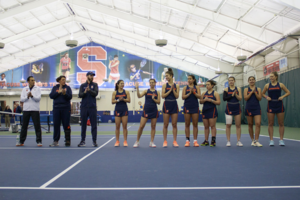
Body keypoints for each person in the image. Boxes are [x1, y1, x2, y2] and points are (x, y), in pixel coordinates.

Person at [262, 71, 290, 146]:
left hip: (279, 105)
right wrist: (266, 97)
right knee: (270, 123)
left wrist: (282, 97)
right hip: (270, 105)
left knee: (281, 123)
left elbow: (288, 92)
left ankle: (281, 140)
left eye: (272, 76)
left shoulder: (281, 85)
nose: (271, 78)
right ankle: (271, 140)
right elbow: (262, 93)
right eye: (270, 76)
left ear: (276, 77)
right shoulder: (267, 85)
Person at [133, 79, 160, 148]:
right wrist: (137, 88)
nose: (151, 84)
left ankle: (151, 142)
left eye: (152, 82)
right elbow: (139, 96)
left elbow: (158, 102)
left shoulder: (157, 92)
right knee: (141, 126)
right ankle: (137, 141)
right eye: (150, 82)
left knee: (153, 126)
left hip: (154, 110)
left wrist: (154, 99)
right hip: (146, 110)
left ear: (155, 83)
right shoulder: (146, 91)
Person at [16, 76, 42, 146]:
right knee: (24, 126)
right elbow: (22, 99)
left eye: (34, 80)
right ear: (28, 81)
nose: (33, 81)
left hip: (35, 109)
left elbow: (38, 99)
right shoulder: (24, 89)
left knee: (37, 126)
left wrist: (32, 96)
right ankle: (21, 141)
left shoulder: (38, 89)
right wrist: (27, 97)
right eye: (31, 80)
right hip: (26, 110)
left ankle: (39, 141)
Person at [49, 76, 72, 147]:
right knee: (56, 125)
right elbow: (51, 96)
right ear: (59, 81)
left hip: (66, 108)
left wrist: (65, 94)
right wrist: (58, 92)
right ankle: (56, 140)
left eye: (64, 80)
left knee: (66, 125)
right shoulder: (55, 88)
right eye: (62, 80)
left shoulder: (68, 88)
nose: (64, 81)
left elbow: (70, 97)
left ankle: (67, 140)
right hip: (56, 108)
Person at [78, 71, 99, 147]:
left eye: (93, 76)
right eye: (90, 75)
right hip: (84, 107)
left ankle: (94, 141)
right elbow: (80, 95)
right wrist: (85, 91)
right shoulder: (82, 85)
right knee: (83, 125)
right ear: (87, 76)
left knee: (94, 125)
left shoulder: (95, 85)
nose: (92, 77)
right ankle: (83, 141)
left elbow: (95, 93)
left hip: (92, 107)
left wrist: (90, 91)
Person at [161, 68, 180, 147]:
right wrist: (170, 90)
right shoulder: (164, 85)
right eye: (165, 76)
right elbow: (163, 96)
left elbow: (177, 96)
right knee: (165, 124)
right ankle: (165, 141)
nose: (166, 77)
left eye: (167, 76)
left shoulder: (177, 85)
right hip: (166, 104)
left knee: (174, 124)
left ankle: (174, 141)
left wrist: (173, 90)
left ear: (171, 76)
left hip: (174, 104)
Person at [182, 75, 201, 147]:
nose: (189, 80)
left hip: (195, 107)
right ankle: (187, 141)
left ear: (193, 80)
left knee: (195, 124)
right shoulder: (185, 88)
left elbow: (199, 96)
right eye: (188, 79)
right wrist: (189, 93)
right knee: (187, 124)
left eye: (190, 79)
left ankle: (195, 141)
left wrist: (194, 93)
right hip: (187, 106)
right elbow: (183, 97)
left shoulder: (197, 87)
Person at [223, 76, 243, 147]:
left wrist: (236, 94)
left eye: (232, 80)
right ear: (228, 82)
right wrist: (232, 95)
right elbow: (224, 99)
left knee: (238, 125)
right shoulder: (226, 89)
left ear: (234, 81)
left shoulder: (238, 89)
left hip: (237, 107)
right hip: (229, 108)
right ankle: (228, 141)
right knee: (228, 125)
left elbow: (240, 98)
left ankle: (238, 141)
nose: (231, 81)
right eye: (229, 80)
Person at [200, 80, 220, 147]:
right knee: (206, 126)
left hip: (212, 110)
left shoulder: (215, 93)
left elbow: (218, 102)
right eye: (206, 85)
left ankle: (213, 141)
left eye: (208, 84)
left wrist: (211, 100)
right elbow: (200, 102)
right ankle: (206, 140)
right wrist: (204, 100)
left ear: (212, 85)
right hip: (205, 110)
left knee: (212, 126)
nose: (207, 86)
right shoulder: (203, 93)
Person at [244, 76, 263, 147]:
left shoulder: (259, 89)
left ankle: (257, 140)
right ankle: (252, 140)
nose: (251, 81)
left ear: (255, 81)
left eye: (253, 80)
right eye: (250, 80)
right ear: (248, 81)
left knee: (258, 123)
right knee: (250, 124)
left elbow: (260, 98)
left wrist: (255, 92)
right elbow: (246, 98)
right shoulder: (246, 89)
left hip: (257, 108)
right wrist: (251, 92)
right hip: (249, 108)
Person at [112, 80, 130, 147]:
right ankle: (117, 141)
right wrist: (118, 100)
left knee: (125, 126)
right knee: (117, 126)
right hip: (117, 110)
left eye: (123, 83)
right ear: (118, 84)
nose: (123, 84)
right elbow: (112, 101)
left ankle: (125, 141)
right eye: (121, 83)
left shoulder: (126, 92)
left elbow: (129, 100)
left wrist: (123, 99)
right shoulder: (115, 92)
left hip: (124, 109)